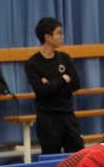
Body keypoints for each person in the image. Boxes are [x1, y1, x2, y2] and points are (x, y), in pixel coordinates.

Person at [25, 17, 84, 154]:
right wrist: (63, 79)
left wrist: (50, 85)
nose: (61, 36)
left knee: (77, 156)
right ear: (47, 37)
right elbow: (41, 91)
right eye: (58, 33)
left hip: (67, 114)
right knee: (51, 156)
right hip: (47, 117)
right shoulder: (32, 63)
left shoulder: (65, 58)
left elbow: (76, 84)